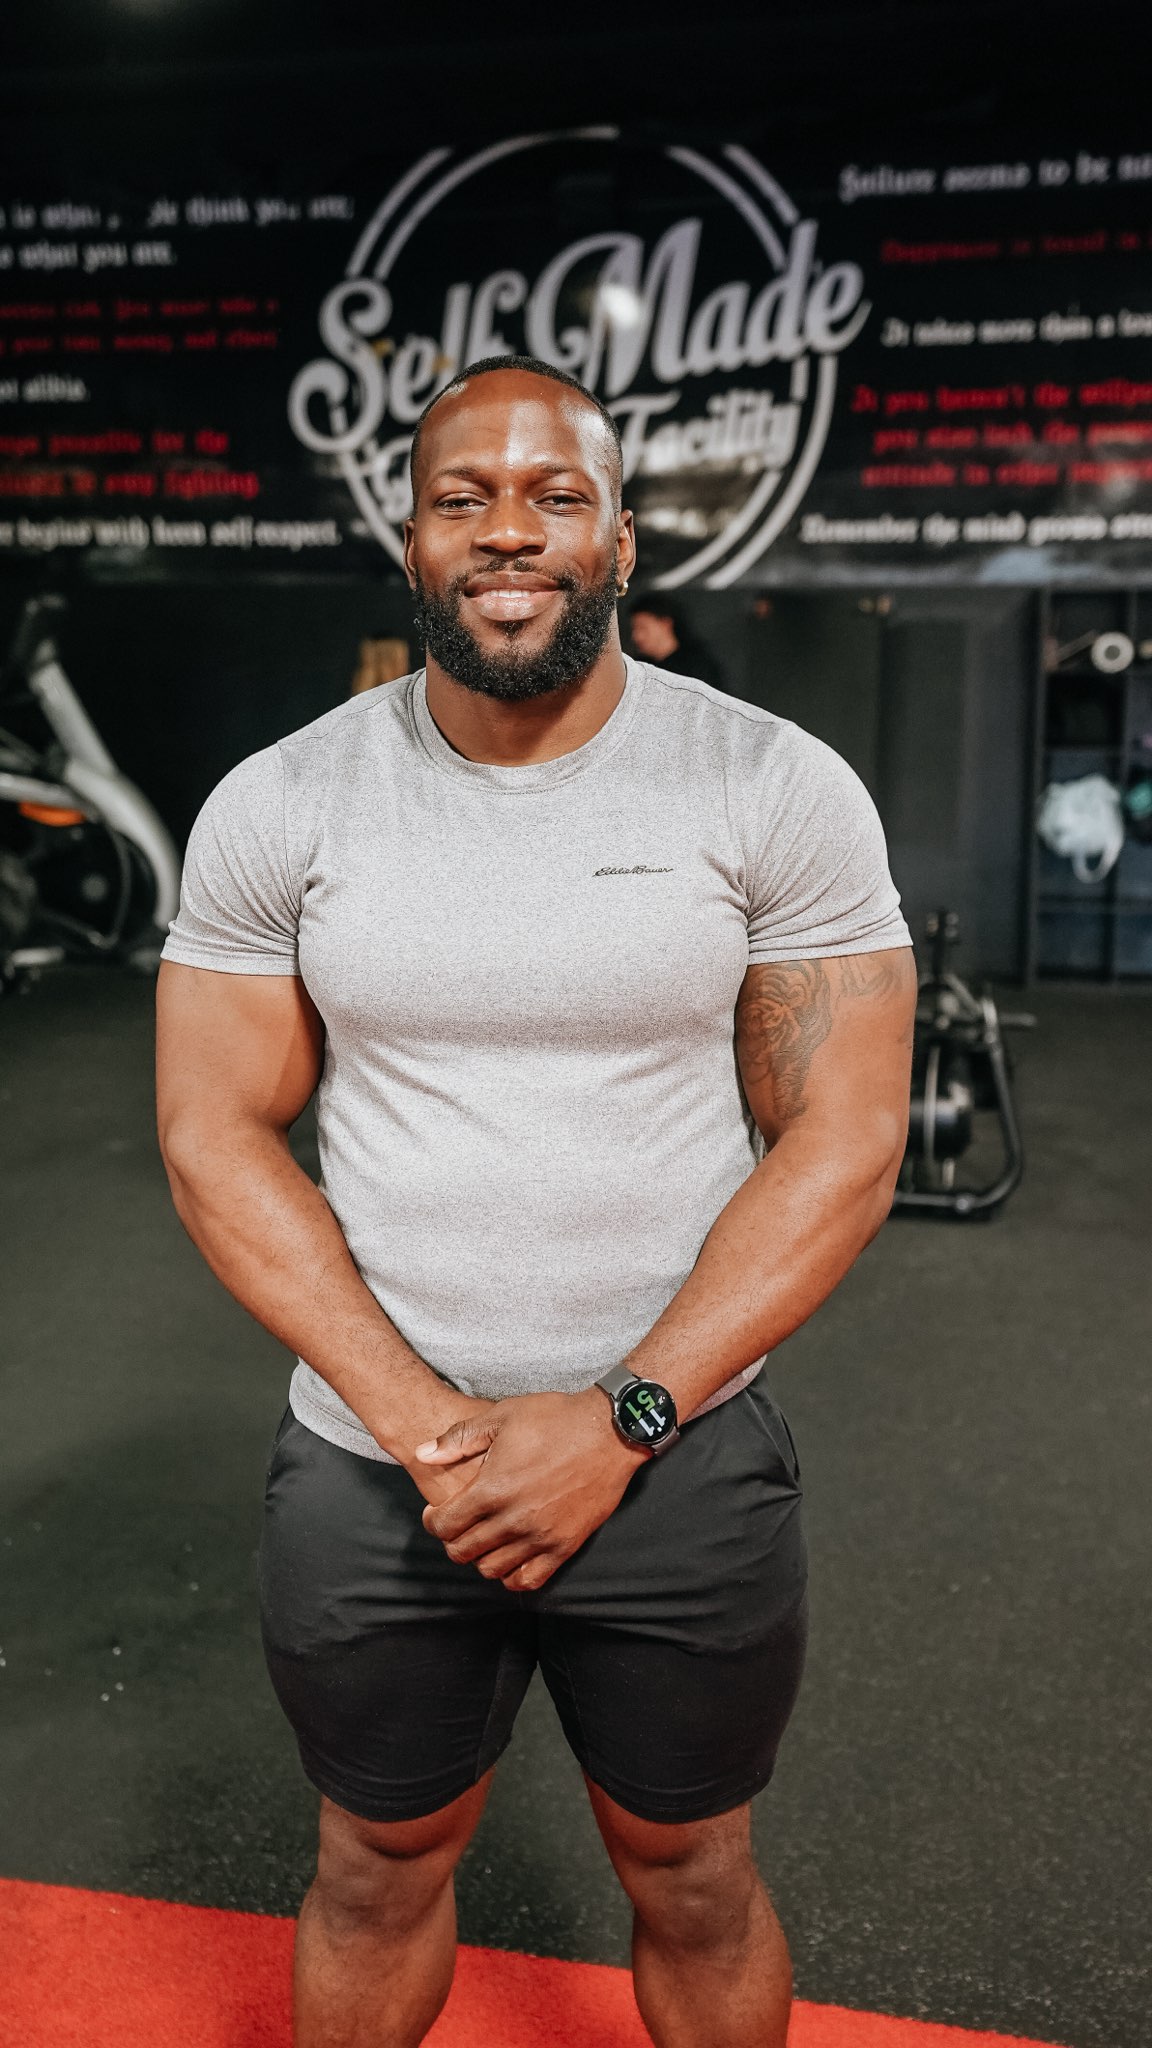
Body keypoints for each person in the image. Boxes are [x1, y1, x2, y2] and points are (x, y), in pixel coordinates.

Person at [155, 354, 916, 2048]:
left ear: (621, 539)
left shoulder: (769, 786)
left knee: (694, 1872)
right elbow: (213, 1134)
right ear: (408, 538)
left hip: (681, 1451)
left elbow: (843, 1141)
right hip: (376, 1464)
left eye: (555, 494)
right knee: (371, 1865)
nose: (511, 529)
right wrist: (430, 1425)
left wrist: (622, 1412)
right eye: (464, 496)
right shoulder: (280, 802)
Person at [628, 593, 725, 690]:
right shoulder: (638, 667)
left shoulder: (697, 667)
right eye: (634, 629)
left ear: (665, 624)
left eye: (642, 628)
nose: (636, 636)